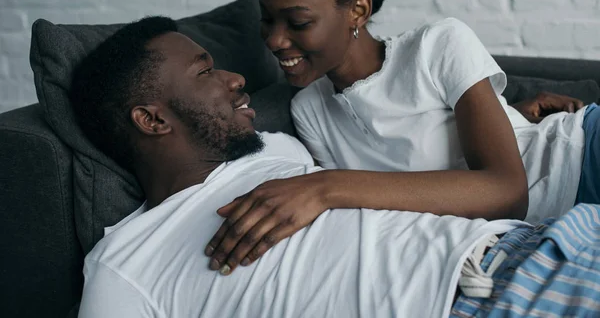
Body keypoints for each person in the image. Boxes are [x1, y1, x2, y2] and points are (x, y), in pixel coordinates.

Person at [73, 16, 600, 318]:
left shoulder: (278, 147)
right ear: (150, 119)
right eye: (206, 71)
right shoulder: (125, 265)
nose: (237, 79)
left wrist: (511, 116)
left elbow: (411, 155)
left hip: (545, 239)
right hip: (485, 301)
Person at [204, 0, 598, 276]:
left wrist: (325, 187)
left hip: (583, 155)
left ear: (358, 10)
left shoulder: (439, 44)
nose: (274, 39)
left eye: (298, 22)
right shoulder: (308, 110)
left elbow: (506, 193)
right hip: (549, 228)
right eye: (267, 18)